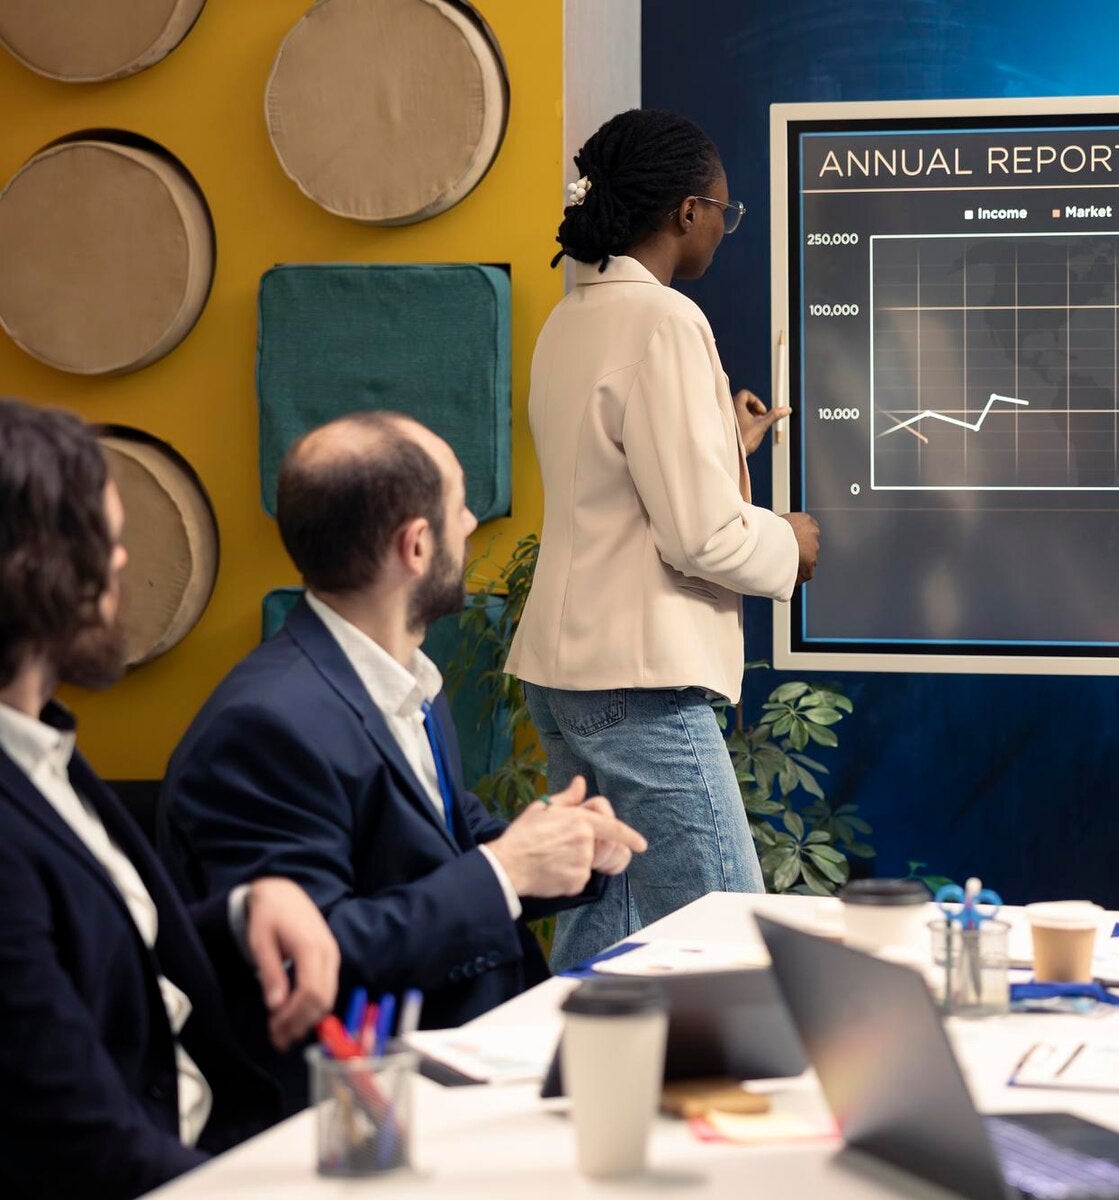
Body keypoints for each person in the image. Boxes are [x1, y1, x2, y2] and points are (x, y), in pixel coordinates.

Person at [159, 413, 647, 1070]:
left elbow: (446, 844)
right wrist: (507, 870)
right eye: (459, 506)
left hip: (482, 1047)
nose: (472, 522)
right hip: (377, 1098)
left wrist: (566, 848)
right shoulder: (266, 726)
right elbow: (319, 951)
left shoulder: (402, 676)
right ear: (416, 547)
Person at [0, 398, 341, 1199]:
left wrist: (244, 906)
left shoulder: (38, 744)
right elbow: (75, 1141)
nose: (121, 564)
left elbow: (92, 960)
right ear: (35, 566)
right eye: (107, 542)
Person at [507, 107, 821, 969]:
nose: (726, 225)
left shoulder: (571, 318)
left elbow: (613, 484)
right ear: (687, 212)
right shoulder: (666, 321)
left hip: (564, 671)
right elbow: (703, 538)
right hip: (638, 681)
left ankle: (584, 1094)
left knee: (604, 939)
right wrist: (790, 542)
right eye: (725, 209)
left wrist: (725, 441)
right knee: (727, 941)